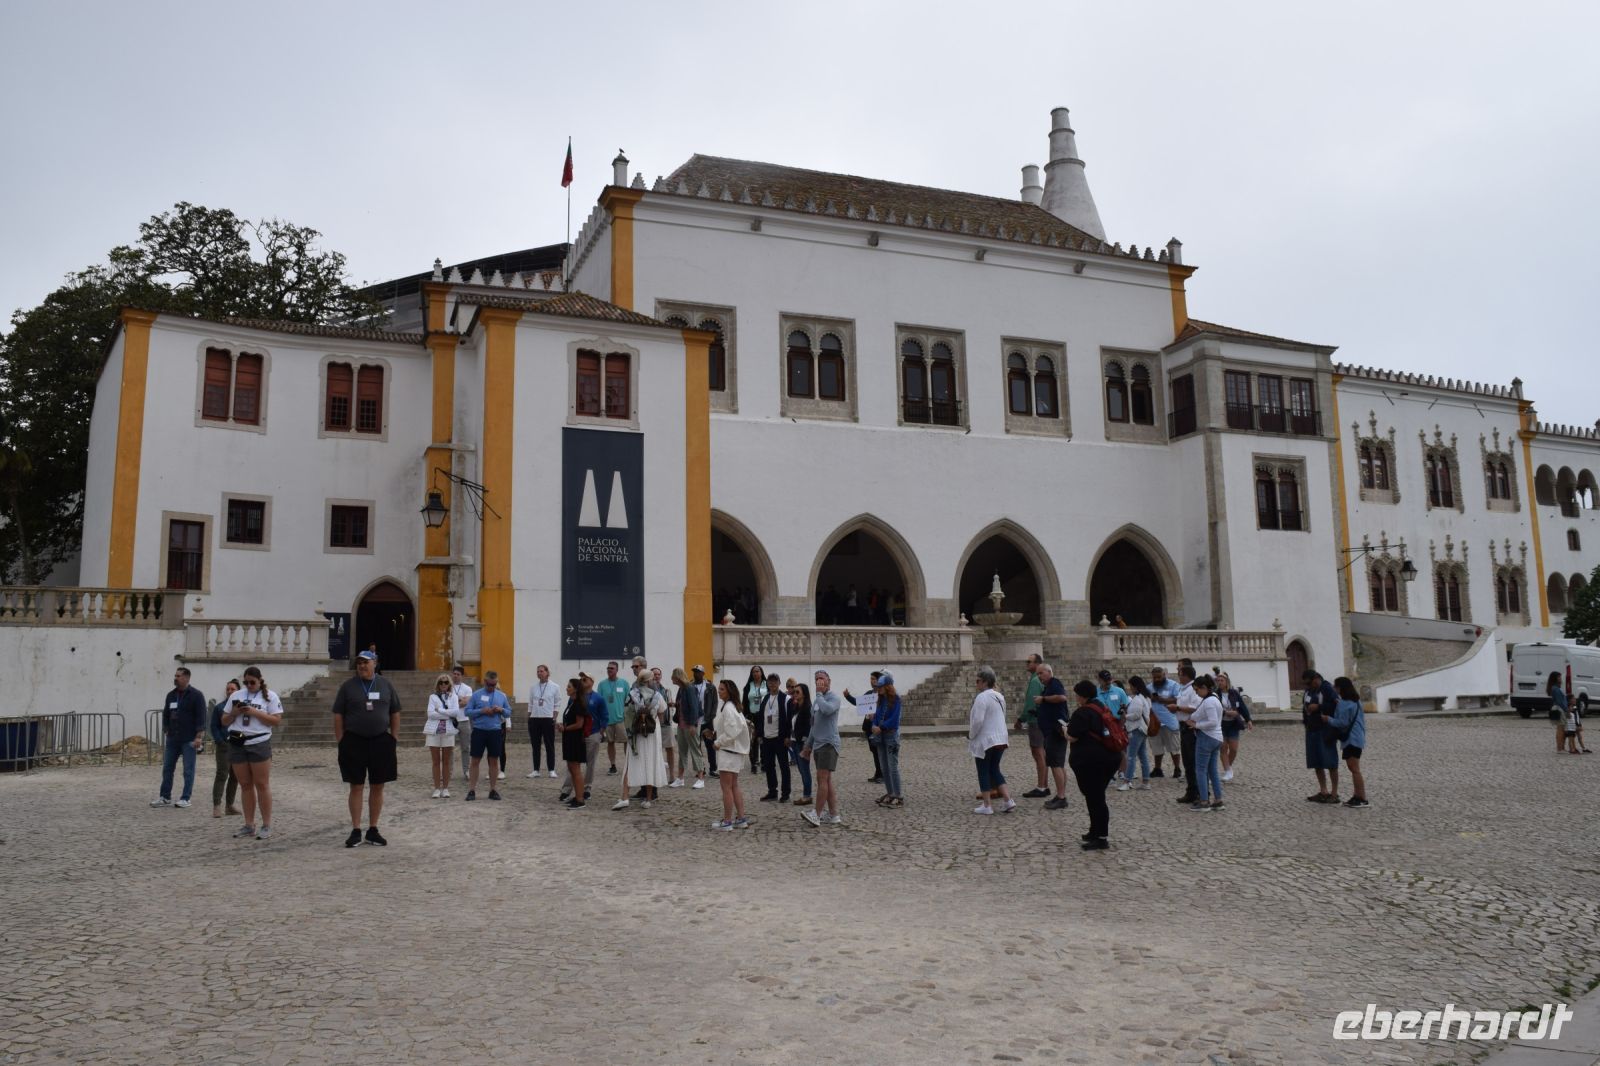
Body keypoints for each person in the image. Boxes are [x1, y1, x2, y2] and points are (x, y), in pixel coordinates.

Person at [332, 649, 402, 846]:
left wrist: (393, 738)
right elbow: (338, 714)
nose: (362, 666)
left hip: (381, 741)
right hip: (354, 741)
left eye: (366, 662)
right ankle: (355, 829)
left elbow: (395, 712)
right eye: (359, 663)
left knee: (378, 785)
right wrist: (341, 740)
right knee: (356, 785)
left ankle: (373, 828)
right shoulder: (348, 687)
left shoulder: (385, 684)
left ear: (375, 663)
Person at [220, 666, 282, 841]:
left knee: (262, 785)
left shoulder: (270, 696)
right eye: (246, 682)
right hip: (238, 742)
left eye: (252, 682)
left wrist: (254, 712)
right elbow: (224, 720)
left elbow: (276, 720)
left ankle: (267, 824)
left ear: (260, 680)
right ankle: (249, 824)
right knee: (245, 784)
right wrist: (234, 712)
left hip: (259, 742)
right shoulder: (236, 695)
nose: (249, 685)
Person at [1066, 680, 1120, 850]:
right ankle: (1094, 831)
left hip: (1094, 762)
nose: (1076, 698)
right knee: (1094, 797)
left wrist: (1063, 731)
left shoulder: (1082, 713)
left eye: (1077, 695)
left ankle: (1101, 837)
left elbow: (1072, 736)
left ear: (1083, 696)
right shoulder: (1102, 707)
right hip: (1110, 758)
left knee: (1096, 799)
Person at [152, 666, 207, 809]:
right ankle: (165, 797)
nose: (175, 678)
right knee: (167, 768)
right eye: (175, 676)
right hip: (173, 739)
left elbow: (201, 717)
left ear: (187, 678)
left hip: (189, 739)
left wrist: (198, 737)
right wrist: (165, 729)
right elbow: (166, 714)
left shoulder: (196, 695)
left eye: (178, 676)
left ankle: (185, 798)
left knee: (188, 770)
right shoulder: (171, 695)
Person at [616, 666, 669, 809]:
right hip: (652, 733)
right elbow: (662, 715)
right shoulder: (657, 696)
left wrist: (630, 730)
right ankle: (648, 799)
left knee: (630, 762)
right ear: (650, 680)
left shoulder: (632, 694)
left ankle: (625, 797)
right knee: (650, 763)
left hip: (636, 733)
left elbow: (626, 714)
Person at [968, 665, 1015, 815]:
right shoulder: (999, 696)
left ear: (984, 681)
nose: (976, 684)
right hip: (1000, 738)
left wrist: (971, 735)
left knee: (983, 770)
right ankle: (1008, 800)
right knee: (994, 769)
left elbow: (977, 721)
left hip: (986, 740)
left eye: (977, 681)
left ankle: (987, 804)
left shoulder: (982, 697)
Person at [801, 670, 843, 827]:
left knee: (822, 779)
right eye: (816, 679)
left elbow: (827, 710)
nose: (819, 681)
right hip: (818, 744)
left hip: (829, 744)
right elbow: (814, 725)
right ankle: (833, 815)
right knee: (827, 780)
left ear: (829, 681)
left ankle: (816, 815)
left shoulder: (834, 698)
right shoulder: (817, 700)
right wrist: (808, 746)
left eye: (822, 679)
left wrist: (818, 695)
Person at [1323, 676, 1370, 807]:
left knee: (1354, 768)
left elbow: (1342, 722)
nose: (1333, 688)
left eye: (1335, 686)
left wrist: (1328, 719)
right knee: (1354, 768)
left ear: (1340, 688)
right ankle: (1357, 795)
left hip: (1351, 738)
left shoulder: (1344, 704)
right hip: (1358, 736)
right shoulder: (1355, 701)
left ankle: (1361, 797)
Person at [464, 670, 511, 802]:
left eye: (494, 685)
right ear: (485, 682)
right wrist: (482, 711)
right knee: (475, 761)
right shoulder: (476, 695)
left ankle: (493, 789)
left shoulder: (502, 696)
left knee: (494, 761)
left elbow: (508, 713)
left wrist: (501, 710)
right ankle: (472, 790)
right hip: (479, 731)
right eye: (489, 684)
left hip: (495, 731)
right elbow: (467, 712)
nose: (491, 687)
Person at [712, 679, 752, 830]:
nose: (719, 691)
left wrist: (718, 742)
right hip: (735, 751)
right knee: (734, 786)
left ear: (729, 691)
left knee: (726, 787)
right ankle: (741, 818)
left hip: (729, 751)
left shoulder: (729, 708)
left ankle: (727, 821)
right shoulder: (734, 707)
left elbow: (732, 732)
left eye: (722, 689)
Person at [562, 673, 606, 801]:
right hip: (577, 736)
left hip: (592, 733)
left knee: (589, 764)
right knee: (573, 765)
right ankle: (567, 790)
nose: (582, 680)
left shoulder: (598, 698)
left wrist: (600, 732)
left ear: (592, 681)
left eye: (585, 679)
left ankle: (586, 790)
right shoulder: (574, 699)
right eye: (580, 679)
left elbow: (604, 716)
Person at [1034, 664, 1072, 811]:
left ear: (1049, 672)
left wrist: (1043, 700)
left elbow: (1062, 697)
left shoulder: (1055, 683)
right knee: (1059, 765)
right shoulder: (1049, 686)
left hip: (1055, 731)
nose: (1039, 676)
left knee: (1056, 764)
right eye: (1037, 674)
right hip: (1053, 731)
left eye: (1041, 673)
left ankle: (1061, 797)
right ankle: (1060, 794)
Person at [1302, 669, 1342, 803]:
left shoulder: (1327, 688)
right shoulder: (1309, 690)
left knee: (1330, 762)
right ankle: (1324, 791)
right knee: (1316, 762)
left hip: (1325, 730)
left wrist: (1318, 707)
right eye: (1306, 684)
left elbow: (1336, 705)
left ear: (1316, 679)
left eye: (1309, 683)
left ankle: (1334, 793)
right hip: (1311, 729)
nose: (1307, 686)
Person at [424, 674, 467, 798]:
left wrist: (440, 710)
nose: (443, 684)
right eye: (441, 682)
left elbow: (455, 712)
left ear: (449, 684)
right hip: (434, 731)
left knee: (446, 761)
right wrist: (446, 714)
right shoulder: (432, 697)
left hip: (448, 730)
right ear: (438, 684)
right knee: (436, 761)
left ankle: (446, 788)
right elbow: (430, 714)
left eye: (446, 682)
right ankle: (437, 788)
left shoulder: (453, 697)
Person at [1188, 675, 1225, 812]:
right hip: (1216, 738)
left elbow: (1213, 722)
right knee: (1212, 770)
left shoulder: (1209, 702)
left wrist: (1196, 725)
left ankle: (1204, 801)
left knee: (1201, 770)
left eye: (1197, 690)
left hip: (1207, 737)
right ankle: (1218, 799)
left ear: (1204, 688)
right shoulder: (1214, 697)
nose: (1196, 693)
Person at [673, 665, 711, 788]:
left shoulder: (689, 688)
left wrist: (694, 725)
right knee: (682, 751)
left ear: (677, 677)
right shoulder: (681, 689)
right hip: (681, 724)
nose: (671, 679)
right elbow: (682, 705)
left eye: (673, 677)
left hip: (690, 725)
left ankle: (701, 778)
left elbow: (695, 707)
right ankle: (680, 778)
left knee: (695, 750)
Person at [1017, 654, 1049, 798]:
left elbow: (1031, 702)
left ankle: (1041, 786)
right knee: (1041, 753)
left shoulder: (1036, 680)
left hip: (1035, 720)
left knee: (1038, 753)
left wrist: (1021, 719)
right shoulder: (1038, 679)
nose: (1026, 664)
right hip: (1040, 719)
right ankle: (1044, 785)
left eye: (1029, 662)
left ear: (1037, 664)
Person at [207, 679, 241, 817]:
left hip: (238, 744)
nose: (229, 691)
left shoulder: (243, 707)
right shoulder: (220, 707)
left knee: (235, 776)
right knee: (222, 774)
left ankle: (230, 805)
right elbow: (213, 726)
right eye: (228, 689)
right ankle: (217, 805)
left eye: (232, 689)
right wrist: (219, 740)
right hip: (224, 745)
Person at [756, 673, 792, 802]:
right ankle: (772, 791)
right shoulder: (765, 699)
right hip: (767, 738)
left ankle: (786, 793)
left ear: (779, 683)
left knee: (784, 767)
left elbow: (789, 719)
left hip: (780, 738)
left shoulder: (785, 699)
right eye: (770, 682)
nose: (772, 684)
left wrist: (788, 736)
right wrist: (759, 734)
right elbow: (761, 718)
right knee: (769, 766)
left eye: (775, 681)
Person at [557, 679, 591, 809]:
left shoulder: (578, 704)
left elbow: (579, 724)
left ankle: (580, 799)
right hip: (569, 739)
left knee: (576, 770)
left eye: (569, 686)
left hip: (576, 740)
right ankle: (577, 796)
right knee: (571, 768)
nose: (566, 688)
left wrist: (565, 728)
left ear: (575, 689)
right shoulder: (571, 703)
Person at [845, 670, 884, 783]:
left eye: (874, 679)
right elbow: (858, 702)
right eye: (871, 679)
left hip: (877, 727)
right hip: (868, 727)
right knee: (873, 751)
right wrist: (848, 696)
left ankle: (882, 774)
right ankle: (878, 773)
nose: (872, 681)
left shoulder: (882, 695)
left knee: (879, 751)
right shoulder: (869, 693)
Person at [872, 673, 904, 807]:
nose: (878, 689)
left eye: (880, 686)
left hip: (890, 736)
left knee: (892, 767)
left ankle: (898, 795)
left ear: (887, 686)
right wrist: (874, 724)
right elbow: (877, 714)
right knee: (884, 767)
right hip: (880, 737)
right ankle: (890, 793)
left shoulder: (896, 699)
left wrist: (882, 727)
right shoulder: (880, 699)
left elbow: (894, 720)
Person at [1117, 675, 1152, 791]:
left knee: (1131, 756)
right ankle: (1146, 781)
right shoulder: (1146, 697)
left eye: (1131, 686)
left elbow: (1137, 714)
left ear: (1135, 686)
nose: (1130, 688)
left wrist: (1125, 716)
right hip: (1143, 729)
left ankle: (1127, 781)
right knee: (1143, 756)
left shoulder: (1138, 699)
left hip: (1137, 729)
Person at [1173, 664, 1202, 806]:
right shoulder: (1183, 689)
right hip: (1183, 726)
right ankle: (1191, 791)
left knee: (1194, 761)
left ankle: (1199, 793)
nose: (1178, 675)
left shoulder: (1192, 689)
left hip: (1190, 727)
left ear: (1185, 675)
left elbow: (1195, 708)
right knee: (1187, 762)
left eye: (1180, 673)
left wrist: (1177, 707)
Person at [1216, 672, 1253, 781]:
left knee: (1233, 749)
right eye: (1218, 681)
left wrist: (1248, 720)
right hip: (1221, 724)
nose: (1219, 683)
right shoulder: (1215, 694)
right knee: (1223, 748)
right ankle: (1227, 770)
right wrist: (1225, 713)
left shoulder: (1234, 693)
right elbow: (1215, 708)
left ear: (1227, 682)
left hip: (1233, 724)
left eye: (1221, 680)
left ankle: (1228, 767)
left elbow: (1242, 706)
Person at [527, 664, 561, 778]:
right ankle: (536, 770)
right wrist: (529, 718)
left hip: (548, 718)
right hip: (535, 718)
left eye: (541, 671)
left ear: (547, 672)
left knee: (549, 745)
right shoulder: (533, 687)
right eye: (538, 671)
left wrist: (554, 717)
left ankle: (551, 769)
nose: (539, 673)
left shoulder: (555, 687)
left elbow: (557, 704)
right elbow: (530, 704)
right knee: (535, 745)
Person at [1147, 666, 1181, 778]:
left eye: (1159, 677)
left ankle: (1177, 768)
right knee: (1156, 747)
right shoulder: (1149, 687)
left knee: (1174, 747)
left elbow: (1178, 699)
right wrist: (1150, 698)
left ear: (1164, 675)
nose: (1156, 679)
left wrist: (1162, 700)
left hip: (1170, 721)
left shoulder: (1173, 685)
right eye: (1154, 677)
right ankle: (1158, 769)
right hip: (1154, 722)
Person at [598, 661, 630, 776]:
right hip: (607, 719)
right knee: (610, 742)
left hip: (621, 719)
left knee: (626, 741)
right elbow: (599, 702)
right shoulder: (602, 684)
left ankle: (629, 764)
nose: (609, 670)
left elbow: (629, 701)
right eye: (608, 668)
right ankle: (613, 765)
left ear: (617, 670)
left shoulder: (624, 683)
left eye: (611, 668)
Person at [787, 679, 813, 806]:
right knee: (801, 770)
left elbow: (809, 728)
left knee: (805, 770)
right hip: (795, 742)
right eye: (794, 691)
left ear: (804, 694)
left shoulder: (808, 709)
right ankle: (806, 794)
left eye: (797, 692)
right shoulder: (796, 707)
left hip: (803, 743)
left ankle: (807, 795)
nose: (794, 694)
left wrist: (805, 745)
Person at [451, 665, 474, 785]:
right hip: (451, 720)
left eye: (458, 674)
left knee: (466, 747)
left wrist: (455, 703)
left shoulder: (467, 688)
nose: (455, 676)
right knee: (448, 747)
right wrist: (459, 700)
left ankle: (466, 770)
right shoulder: (447, 687)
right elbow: (447, 704)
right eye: (454, 674)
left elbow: (467, 702)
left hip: (464, 720)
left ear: (462, 676)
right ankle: (448, 771)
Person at [652, 667, 675, 784]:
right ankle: (657, 776)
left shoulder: (666, 690)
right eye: (654, 674)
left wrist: (670, 704)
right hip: (654, 724)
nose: (656, 676)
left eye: (658, 674)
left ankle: (672, 775)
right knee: (656, 750)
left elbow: (669, 703)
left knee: (670, 749)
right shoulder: (649, 690)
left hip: (666, 723)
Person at [742, 665, 766, 773]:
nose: (755, 673)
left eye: (757, 671)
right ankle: (754, 763)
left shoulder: (767, 685)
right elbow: (744, 702)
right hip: (752, 716)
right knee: (753, 740)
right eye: (753, 672)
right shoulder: (748, 686)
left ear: (761, 673)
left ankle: (764, 762)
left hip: (765, 716)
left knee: (764, 739)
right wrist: (744, 716)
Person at [1549, 671, 1569, 753]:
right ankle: (1559, 748)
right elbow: (1560, 701)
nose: (1561, 679)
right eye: (1559, 677)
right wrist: (1566, 709)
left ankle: (1561, 747)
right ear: (1555, 679)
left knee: (1561, 729)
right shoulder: (1556, 689)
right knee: (1560, 729)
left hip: (1560, 708)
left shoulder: (1556, 688)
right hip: (1559, 709)